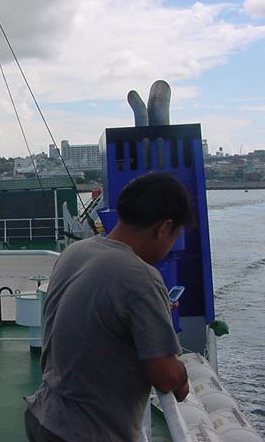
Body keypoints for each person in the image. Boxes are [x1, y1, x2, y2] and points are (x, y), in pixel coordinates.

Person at [25, 173, 192, 442]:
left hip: (44, 416)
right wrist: (182, 378)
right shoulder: (141, 277)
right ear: (164, 228)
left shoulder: (76, 251)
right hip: (86, 433)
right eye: (176, 235)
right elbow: (167, 377)